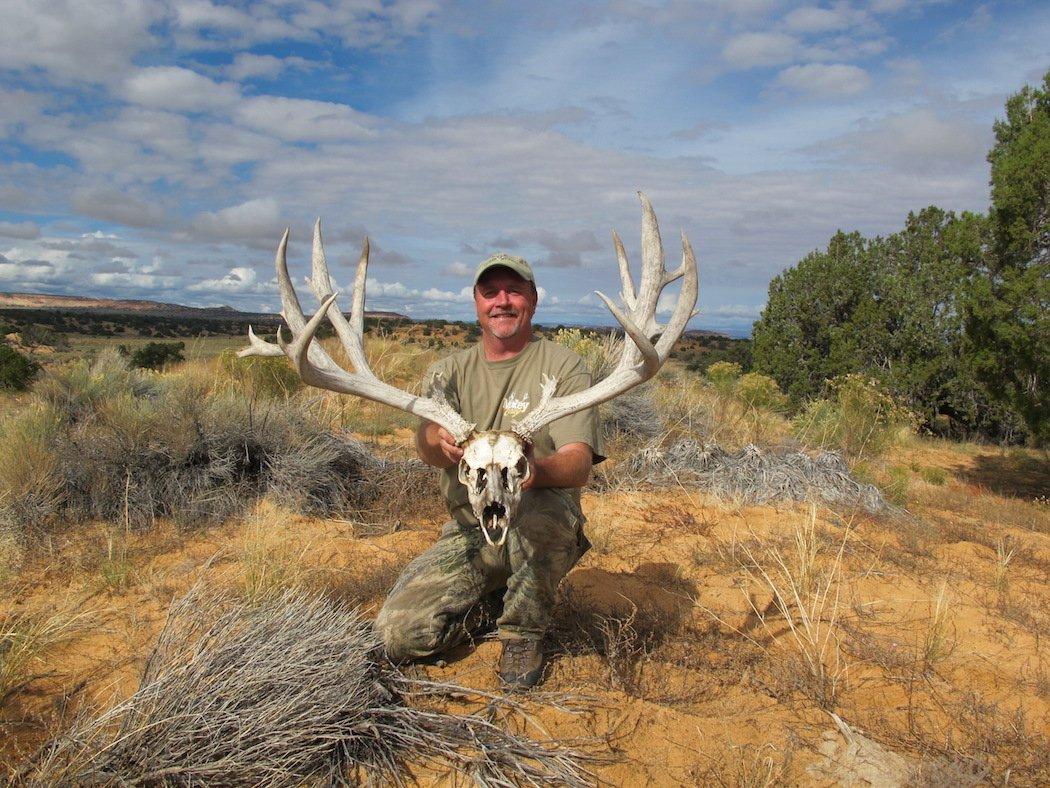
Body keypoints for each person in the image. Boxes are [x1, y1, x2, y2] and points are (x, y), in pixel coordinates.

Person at [375, 253, 604, 690]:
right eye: (491, 292)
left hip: (538, 516)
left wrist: (532, 471)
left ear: (533, 300)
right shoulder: (448, 372)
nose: (502, 301)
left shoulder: (565, 366)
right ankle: (489, 606)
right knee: (395, 637)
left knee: (537, 516)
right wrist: (436, 441)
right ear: (477, 303)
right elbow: (425, 445)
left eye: (514, 291)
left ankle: (522, 633)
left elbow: (578, 463)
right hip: (469, 527)